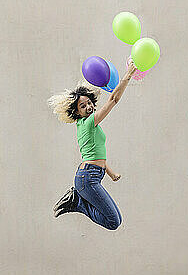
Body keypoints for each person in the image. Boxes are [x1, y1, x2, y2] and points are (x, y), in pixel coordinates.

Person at [47, 59, 137, 230]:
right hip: (87, 178)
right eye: (83, 105)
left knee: (115, 220)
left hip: (90, 175)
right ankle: (77, 202)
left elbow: (95, 153)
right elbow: (113, 100)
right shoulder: (88, 122)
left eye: (89, 103)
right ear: (76, 112)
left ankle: (77, 200)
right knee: (113, 222)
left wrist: (110, 173)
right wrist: (128, 75)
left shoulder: (85, 125)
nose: (88, 106)